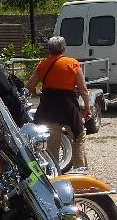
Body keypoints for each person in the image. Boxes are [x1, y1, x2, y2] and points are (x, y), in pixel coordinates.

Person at [26, 36, 92, 169]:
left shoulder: (42, 65)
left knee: (51, 144)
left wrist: (38, 93)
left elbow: (30, 86)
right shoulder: (72, 63)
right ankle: (80, 171)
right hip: (68, 107)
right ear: (63, 49)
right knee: (78, 138)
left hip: (48, 109)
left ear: (49, 49)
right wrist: (87, 108)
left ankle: (54, 173)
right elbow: (83, 89)